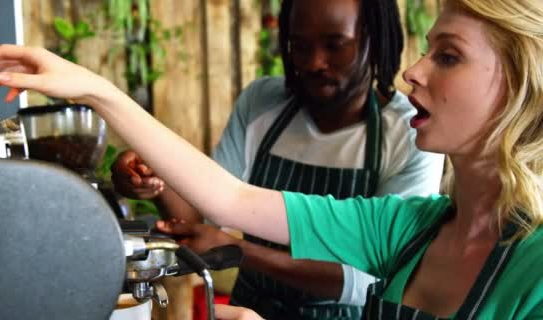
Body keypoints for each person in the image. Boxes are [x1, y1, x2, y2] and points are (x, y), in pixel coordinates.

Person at [0, 0, 543, 318]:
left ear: (520, 84)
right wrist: (98, 91)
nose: (414, 72)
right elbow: (230, 199)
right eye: (426, 52)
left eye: (448, 56)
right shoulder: (411, 230)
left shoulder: (533, 268)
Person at [111, 0, 444, 318]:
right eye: (300, 45)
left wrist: (240, 252)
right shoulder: (262, 104)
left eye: (335, 45)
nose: (314, 62)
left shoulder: (409, 133)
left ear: (373, 39)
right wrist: (156, 179)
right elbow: (204, 215)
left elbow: (373, 279)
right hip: (246, 310)